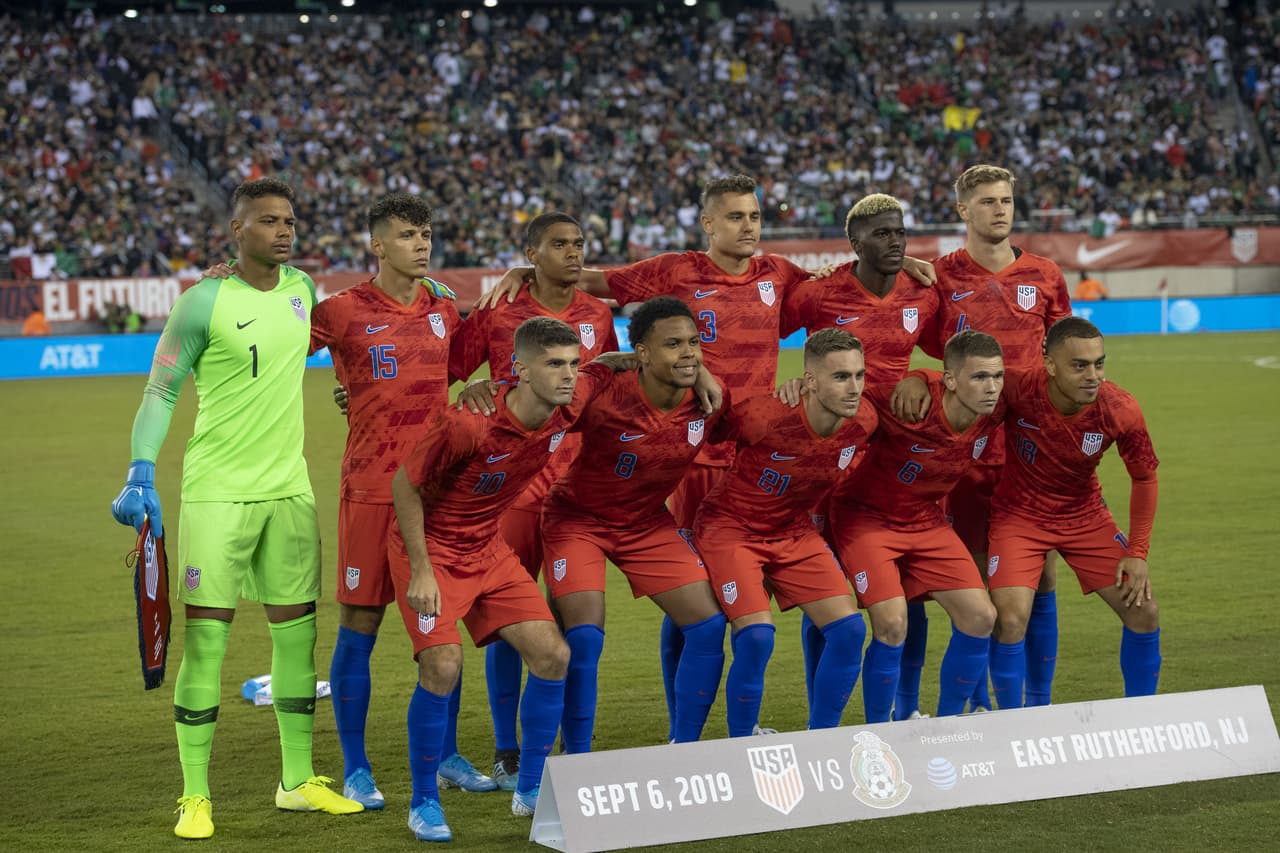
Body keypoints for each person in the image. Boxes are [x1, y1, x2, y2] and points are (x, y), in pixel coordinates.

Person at [109, 177, 362, 841]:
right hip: (217, 491)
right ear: (237, 230)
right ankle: (194, 795)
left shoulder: (302, 288)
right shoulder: (202, 301)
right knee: (208, 641)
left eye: (290, 220)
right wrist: (140, 469)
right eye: (269, 220)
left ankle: (297, 782)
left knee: (298, 638)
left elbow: (346, 336)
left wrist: (427, 295)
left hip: (289, 490)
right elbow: (161, 390)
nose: (284, 231)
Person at [389, 317, 627, 841]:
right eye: (554, 364)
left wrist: (650, 361)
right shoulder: (468, 423)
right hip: (432, 550)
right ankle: (423, 801)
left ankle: (531, 789)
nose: (568, 375)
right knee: (442, 664)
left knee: (554, 655)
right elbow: (405, 487)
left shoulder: (570, 401)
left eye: (572, 363)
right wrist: (421, 570)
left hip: (487, 548)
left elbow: (607, 368)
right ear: (519, 369)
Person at [309, 193, 496, 808]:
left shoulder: (442, 306)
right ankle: (356, 768)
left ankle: (446, 756)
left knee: (444, 630)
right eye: (408, 235)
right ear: (377, 244)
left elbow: (461, 370)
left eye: (426, 233)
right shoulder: (340, 310)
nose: (421, 244)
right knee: (359, 627)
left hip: (437, 491)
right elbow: (278, 348)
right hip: (370, 490)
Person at [448, 211, 617, 789]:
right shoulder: (500, 308)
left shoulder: (598, 315)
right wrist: (472, 386)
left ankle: (573, 745)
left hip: (575, 489)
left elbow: (605, 388)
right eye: (559, 244)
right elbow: (447, 367)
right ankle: (507, 749)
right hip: (511, 491)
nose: (573, 253)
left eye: (579, 243)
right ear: (531, 253)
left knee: (577, 623)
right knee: (508, 621)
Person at [912, 164, 1073, 712]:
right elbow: (921, 345)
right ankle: (981, 702)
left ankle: (1038, 704)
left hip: (1032, 451)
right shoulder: (939, 278)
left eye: (1005, 200)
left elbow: (1063, 356)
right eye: (986, 201)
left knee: (1042, 576)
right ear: (963, 210)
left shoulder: (1046, 275)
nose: (999, 209)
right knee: (979, 580)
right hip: (967, 451)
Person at [780, 193, 941, 720]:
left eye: (900, 233)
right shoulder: (819, 293)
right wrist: (793, 385)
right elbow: (759, 331)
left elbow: (957, 354)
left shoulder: (924, 292)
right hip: (829, 462)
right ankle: (820, 716)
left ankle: (906, 710)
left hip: (897, 463)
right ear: (855, 243)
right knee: (825, 590)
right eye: (881, 234)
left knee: (910, 591)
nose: (894, 242)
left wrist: (921, 376)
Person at [541, 296, 728, 751]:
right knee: (584, 638)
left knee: (708, 625)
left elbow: (760, 428)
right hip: (577, 520)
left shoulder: (709, 399)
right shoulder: (606, 393)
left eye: (693, 343)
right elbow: (540, 403)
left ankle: (686, 749)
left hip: (645, 523)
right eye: (673, 345)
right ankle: (577, 759)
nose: (688, 353)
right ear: (641, 352)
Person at [696, 328, 877, 735]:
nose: (854, 388)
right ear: (809, 380)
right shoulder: (764, 415)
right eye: (840, 377)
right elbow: (706, 423)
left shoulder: (865, 419)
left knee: (850, 631)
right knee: (757, 637)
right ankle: (742, 741)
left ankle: (821, 739)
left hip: (793, 530)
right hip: (732, 528)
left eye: (859, 375)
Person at [985, 317, 1160, 706]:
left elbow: (1145, 478)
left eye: (1099, 364)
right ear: (1049, 364)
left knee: (1144, 611)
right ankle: (1015, 724)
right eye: (1079, 366)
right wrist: (920, 381)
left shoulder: (1120, 409)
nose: (1093, 376)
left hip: (1085, 516)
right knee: (1010, 619)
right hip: (1019, 517)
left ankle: (1143, 717)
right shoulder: (1017, 388)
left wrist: (1138, 551)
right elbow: (963, 388)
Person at [831, 330, 1004, 721]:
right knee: (893, 623)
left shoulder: (996, 406)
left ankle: (946, 726)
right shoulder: (908, 405)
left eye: (997, 376)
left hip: (925, 519)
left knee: (982, 617)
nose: (991, 387)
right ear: (951, 380)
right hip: (866, 517)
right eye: (979, 377)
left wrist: (922, 374)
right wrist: (917, 378)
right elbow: (844, 396)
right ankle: (880, 732)